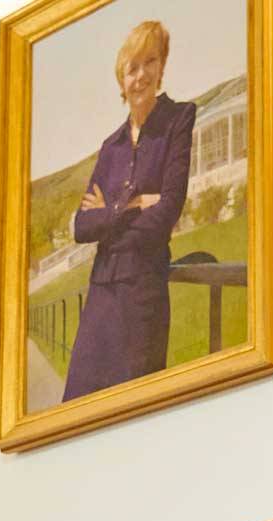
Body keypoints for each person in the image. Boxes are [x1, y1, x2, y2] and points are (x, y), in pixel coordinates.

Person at [60, 20, 196, 402]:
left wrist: (111, 217)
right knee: (78, 404)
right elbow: (81, 227)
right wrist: (131, 205)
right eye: (131, 68)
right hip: (101, 292)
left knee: (136, 405)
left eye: (149, 62)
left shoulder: (179, 119)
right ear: (121, 80)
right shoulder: (110, 147)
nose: (140, 76)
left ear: (161, 66)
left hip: (143, 292)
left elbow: (168, 209)